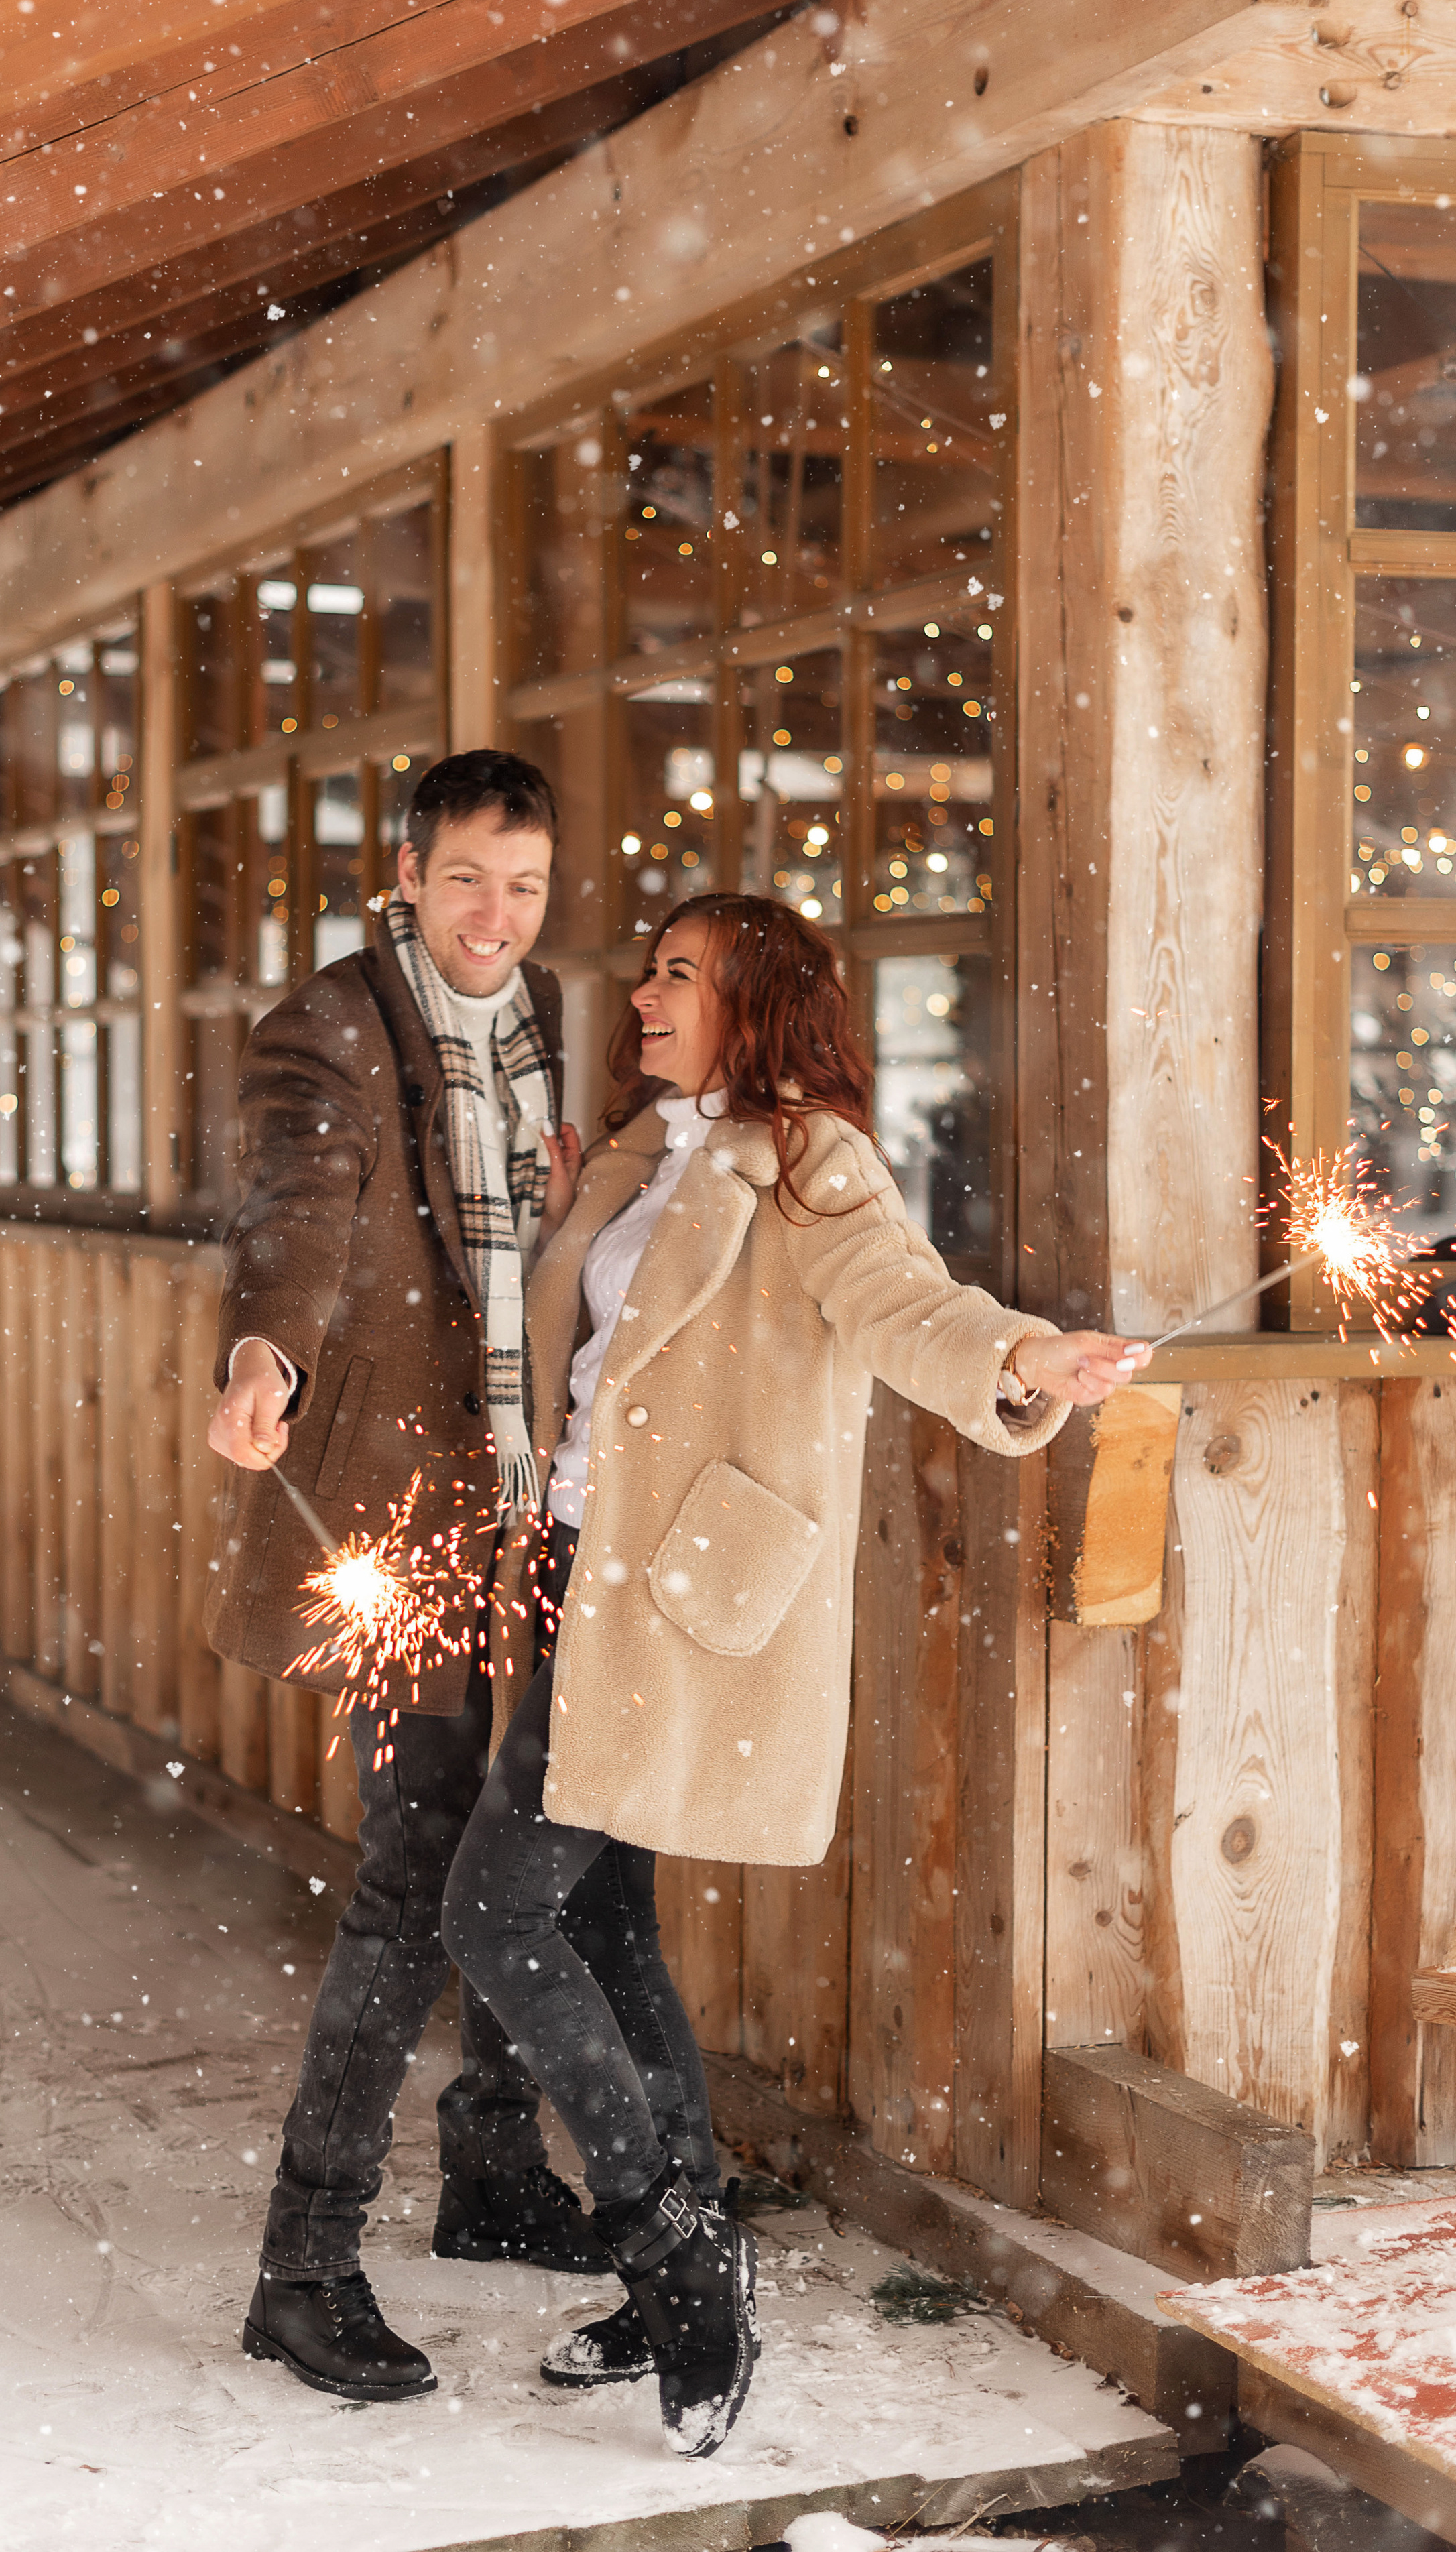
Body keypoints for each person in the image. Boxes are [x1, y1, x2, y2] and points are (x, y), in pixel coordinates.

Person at [442, 893, 1150, 2457]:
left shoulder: (809, 1157)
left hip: (668, 1586)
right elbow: (588, 1348)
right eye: (651, 969)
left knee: (492, 1909)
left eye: (679, 974)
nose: (643, 992)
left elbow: (906, 1304)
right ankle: (682, 2255)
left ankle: (668, 2245)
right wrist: (573, 1215)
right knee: (601, 1916)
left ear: (754, 999)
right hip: (578, 1571)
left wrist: (1022, 1358)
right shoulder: (647, 1146)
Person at [206, 748, 605, 2409]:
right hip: (397, 1516)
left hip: (535, 1504)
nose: (492, 917)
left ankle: (495, 2172)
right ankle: (303, 2267)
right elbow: (298, 1199)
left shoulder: (559, 1019)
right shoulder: (332, 1025)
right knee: (413, 1870)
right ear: (407, 874)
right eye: (463, 882)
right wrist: (264, 1353)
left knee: (522, 1841)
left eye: (519, 884)